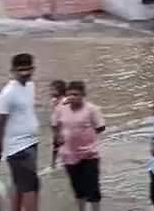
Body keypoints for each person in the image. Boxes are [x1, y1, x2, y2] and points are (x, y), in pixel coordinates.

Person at [0, 53, 40, 211]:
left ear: (33, 69)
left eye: (28, 69)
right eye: (21, 70)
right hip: (18, 147)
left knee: (19, 184)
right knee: (31, 187)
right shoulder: (7, 94)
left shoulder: (31, 86)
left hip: (31, 143)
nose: (25, 73)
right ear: (13, 70)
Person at [51, 81, 106, 211]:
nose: (72, 97)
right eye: (69, 95)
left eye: (76, 95)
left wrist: (87, 135)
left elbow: (101, 127)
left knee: (93, 189)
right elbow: (54, 124)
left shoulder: (92, 109)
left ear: (83, 95)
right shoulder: (60, 109)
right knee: (77, 189)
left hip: (89, 154)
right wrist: (58, 135)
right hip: (69, 155)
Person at [50, 80, 67, 168]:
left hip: (63, 129)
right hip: (56, 128)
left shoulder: (65, 102)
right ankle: (53, 164)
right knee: (55, 146)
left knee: (63, 146)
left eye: (53, 90)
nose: (51, 92)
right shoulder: (54, 101)